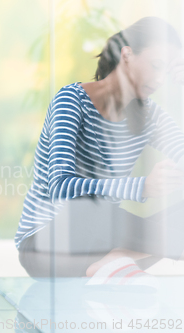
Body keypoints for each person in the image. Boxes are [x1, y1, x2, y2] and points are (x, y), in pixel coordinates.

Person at [15, 16, 184, 284]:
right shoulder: (71, 101)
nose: (161, 79)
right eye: (156, 66)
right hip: (47, 247)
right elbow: (59, 185)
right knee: (89, 205)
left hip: (100, 245)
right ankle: (140, 254)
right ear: (127, 54)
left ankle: (114, 263)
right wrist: (141, 187)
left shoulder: (149, 115)